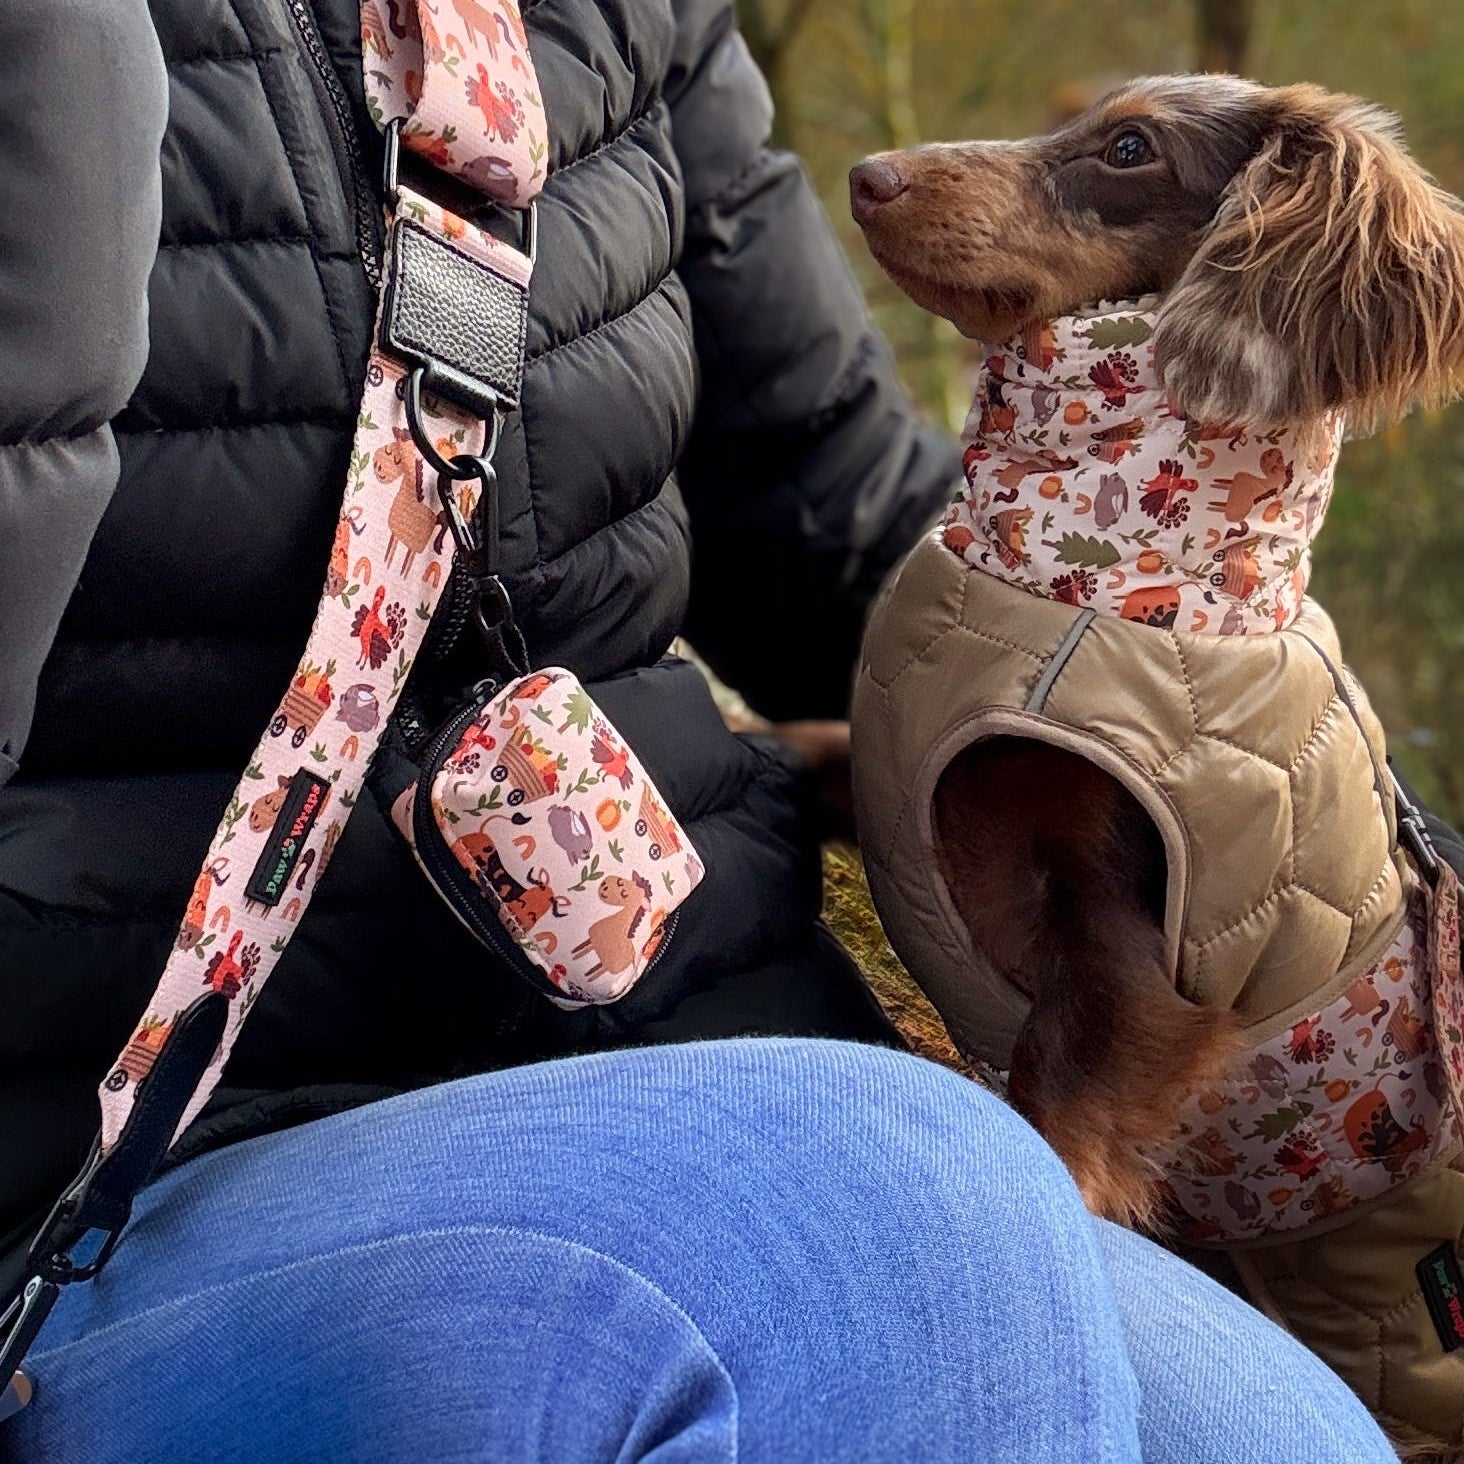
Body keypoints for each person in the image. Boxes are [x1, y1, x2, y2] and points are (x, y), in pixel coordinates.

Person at [0, 0, 1410, 1458]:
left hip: (687, 1032)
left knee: (1273, 1434)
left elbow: (838, 523)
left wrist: (1214, 735)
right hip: (117, 1152)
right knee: (911, 1223)